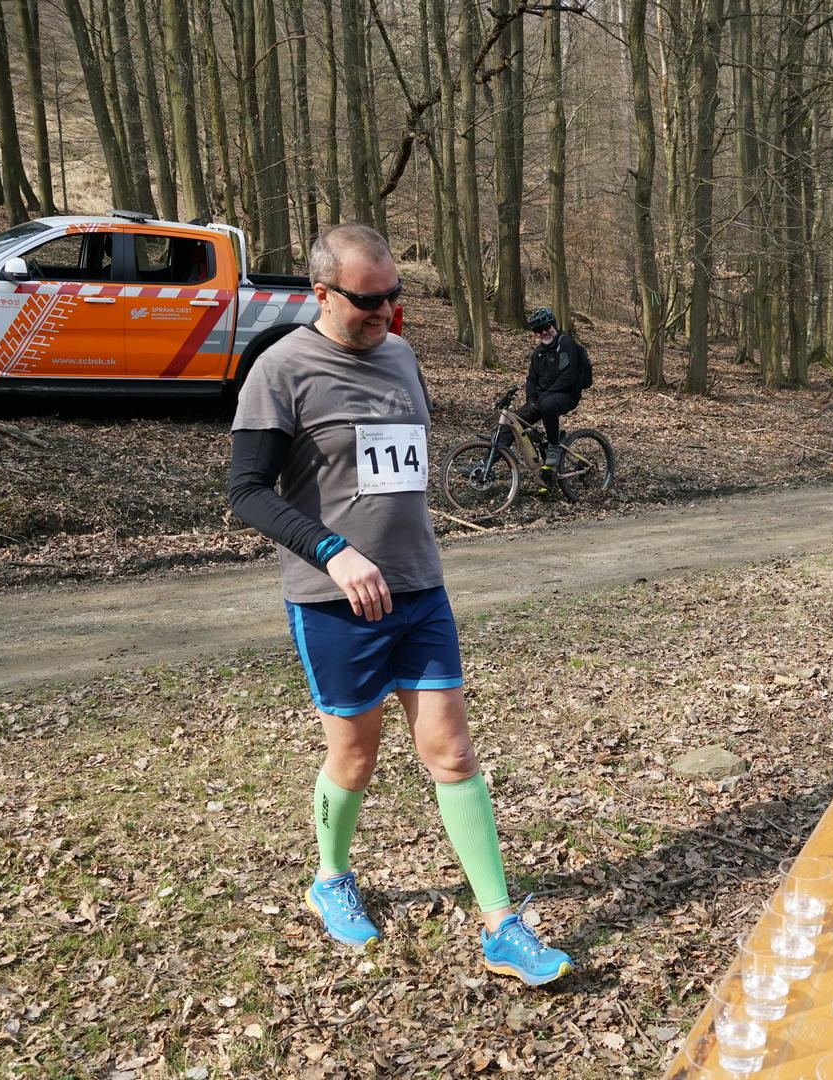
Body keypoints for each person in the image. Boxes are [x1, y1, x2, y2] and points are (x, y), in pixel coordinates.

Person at [227, 224, 574, 986]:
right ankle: (330, 878)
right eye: (368, 299)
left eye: (394, 295)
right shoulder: (280, 369)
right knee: (355, 758)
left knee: (453, 753)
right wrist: (332, 549)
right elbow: (245, 490)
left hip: (420, 589)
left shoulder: (401, 355)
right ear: (321, 293)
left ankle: (501, 926)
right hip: (332, 602)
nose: (385, 310)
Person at [512, 307, 585, 469]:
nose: (544, 332)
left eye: (546, 327)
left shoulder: (566, 344)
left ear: (554, 325)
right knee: (514, 421)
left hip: (567, 394)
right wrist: (531, 400)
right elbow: (532, 379)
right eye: (538, 330)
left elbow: (568, 377)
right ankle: (485, 465)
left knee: (547, 405)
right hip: (542, 398)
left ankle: (554, 444)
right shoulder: (539, 353)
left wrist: (543, 397)